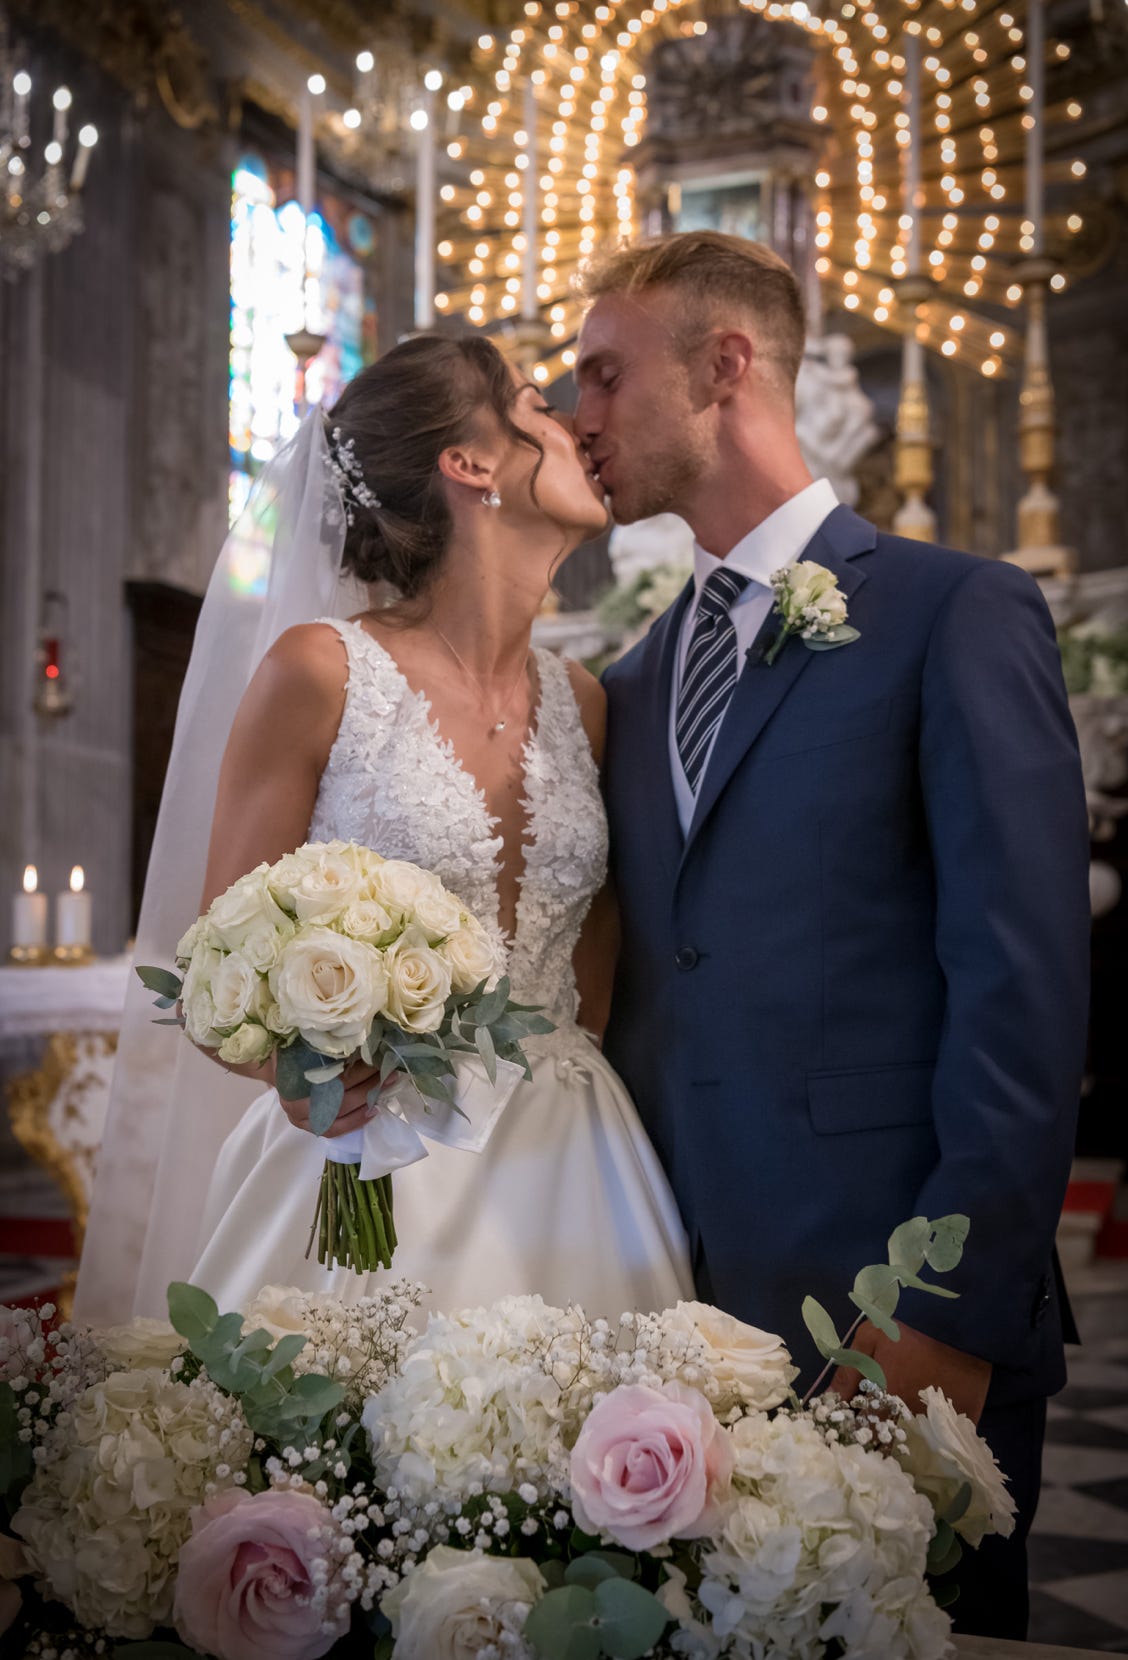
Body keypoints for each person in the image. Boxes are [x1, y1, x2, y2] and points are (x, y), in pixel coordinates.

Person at [573, 230, 1090, 1640]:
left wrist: (955, 1311)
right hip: (670, 1312)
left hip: (894, 1306)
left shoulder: (952, 612)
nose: (576, 414)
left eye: (606, 375)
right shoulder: (626, 676)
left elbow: (1024, 986)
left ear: (726, 366)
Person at [78, 334, 692, 1324]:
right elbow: (214, 974)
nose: (579, 420)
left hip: (576, 1165)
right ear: (472, 463)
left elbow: (600, 972)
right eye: (542, 404)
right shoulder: (320, 673)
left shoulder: (585, 700)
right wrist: (304, 1064)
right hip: (375, 1155)